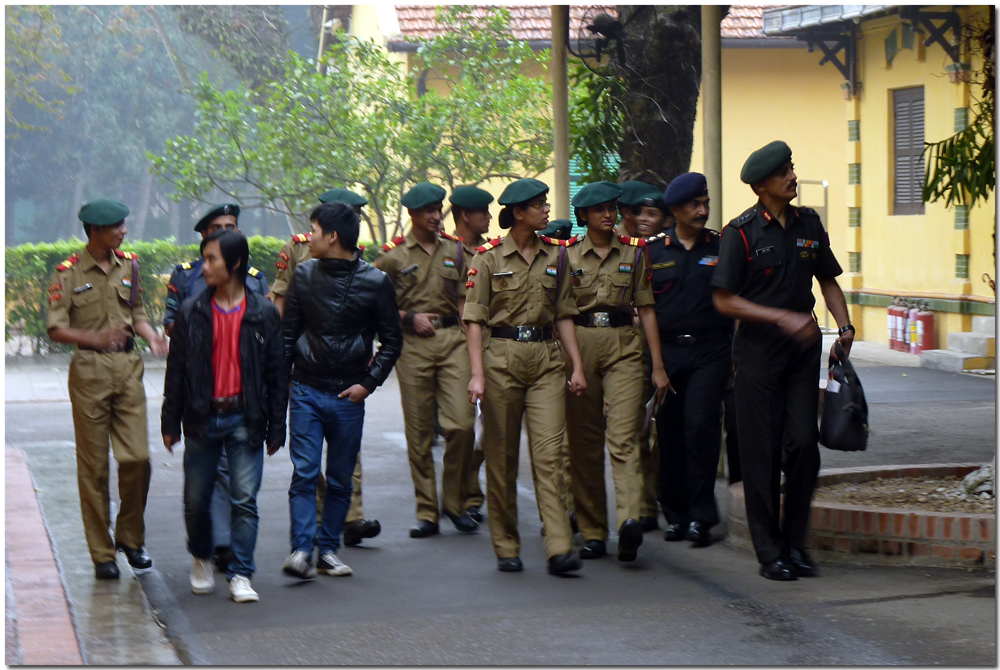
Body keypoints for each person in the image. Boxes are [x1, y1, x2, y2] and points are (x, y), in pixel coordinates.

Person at [712, 141, 854, 581]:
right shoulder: (740, 233)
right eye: (784, 173)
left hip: (801, 352)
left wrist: (845, 328)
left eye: (792, 168)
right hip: (756, 353)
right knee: (761, 454)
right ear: (761, 186)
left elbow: (827, 279)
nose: (793, 176)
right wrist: (779, 317)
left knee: (804, 448)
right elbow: (723, 299)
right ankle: (769, 550)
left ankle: (794, 543)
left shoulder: (809, 223)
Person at [464, 177, 588, 575]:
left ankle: (558, 546)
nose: (547, 210)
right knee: (502, 458)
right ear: (518, 213)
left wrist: (578, 365)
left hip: (547, 360)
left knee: (550, 456)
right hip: (500, 360)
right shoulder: (487, 259)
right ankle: (505, 544)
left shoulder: (558, 256)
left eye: (546, 203)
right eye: (539, 205)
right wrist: (477, 375)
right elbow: (474, 320)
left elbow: (566, 312)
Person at [161, 231, 287, 603]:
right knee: (196, 499)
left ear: (234, 264)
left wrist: (276, 427)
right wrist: (170, 423)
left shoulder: (263, 313)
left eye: (212, 259)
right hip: (201, 418)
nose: (205, 267)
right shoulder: (191, 311)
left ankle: (241, 573)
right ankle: (201, 556)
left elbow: (277, 374)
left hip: (245, 418)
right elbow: (177, 371)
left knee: (244, 500)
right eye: (204, 259)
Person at [47, 198, 168, 580]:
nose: (124, 231)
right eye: (117, 226)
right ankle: (102, 553)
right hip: (88, 373)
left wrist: (152, 337)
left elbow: (138, 314)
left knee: (137, 459)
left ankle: (131, 538)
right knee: (94, 467)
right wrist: (96, 338)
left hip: (128, 369)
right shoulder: (67, 273)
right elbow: (55, 327)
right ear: (95, 231)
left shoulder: (130, 264)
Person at [281, 202, 403, 580]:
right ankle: (302, 549)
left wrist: (367, 384)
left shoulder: (376, 281)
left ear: (332, 236)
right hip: (305, 389)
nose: (309, 236)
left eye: (314, 229)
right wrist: (282, 381)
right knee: (303, 472)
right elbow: (288, 334)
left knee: (339, 478)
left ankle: (328, 550)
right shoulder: (302, 276)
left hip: (349, 395)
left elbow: (393, 341)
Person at [563, 181, 670, 563]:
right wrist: (572, 363)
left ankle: (628, 521)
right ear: (584, 217)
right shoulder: (567, 256)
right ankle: (592, 531)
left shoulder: (635, 253)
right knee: (585, 443)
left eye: (611, 208)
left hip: (625, 344)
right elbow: (560, 313)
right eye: (599, 210)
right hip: (580, 343)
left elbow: (647, 308)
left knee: (624, 435)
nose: (608, 215)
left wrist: (657, 366)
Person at [271, 187, 381, 548]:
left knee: (347, 451)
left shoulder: (358, 258)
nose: (356, 220)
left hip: (346, 370)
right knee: (307, 456)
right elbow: (280, 302)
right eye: (352, 213)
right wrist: (282, 357)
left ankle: (350, 516)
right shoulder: (299, 250)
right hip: (306, 364)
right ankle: (320, 519)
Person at [376, 182, 478, 537]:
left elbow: (467, 298)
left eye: (439, 209)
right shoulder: (392, 256)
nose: (436, 216)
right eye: (429, 211)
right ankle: (427, 512)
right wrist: (407, 317)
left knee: (462, 425)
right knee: (419, 433)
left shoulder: (457, 250)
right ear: (412, 214)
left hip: (453, 340)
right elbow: (376, 303)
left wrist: (471, 339)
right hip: (413, 345)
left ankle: (454, 502)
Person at [648, 172, 733, 548]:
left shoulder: (720, 246)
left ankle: (702, 515)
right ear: (676, 210)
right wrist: (655, 364)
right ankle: (675, 515)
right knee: (668, 432)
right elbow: (643, 306)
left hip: (710, 351)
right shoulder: (653, 252)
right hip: (668, 353)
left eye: (705, 203)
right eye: (694, 205)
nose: (703, 211)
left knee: (700, 427)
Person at [449, 184, 495, 524]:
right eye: (483, 213)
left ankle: (473, 493)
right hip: (460, 347)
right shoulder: (447, 251)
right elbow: (457, 304)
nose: (490, 217)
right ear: (466, 215)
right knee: (465, 424)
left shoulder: (495, 251)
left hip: (496, 346)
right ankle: (462, 498)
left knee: (487, 426)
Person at [631, 191, 671, 530]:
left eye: (651, 213)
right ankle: (643, 503)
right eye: (638, 213)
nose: (643, 219)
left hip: (662, 351)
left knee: (664, 430)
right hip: (629, 352)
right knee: (635, 428)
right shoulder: (629, 251)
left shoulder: (665, 252)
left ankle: (655, 496)